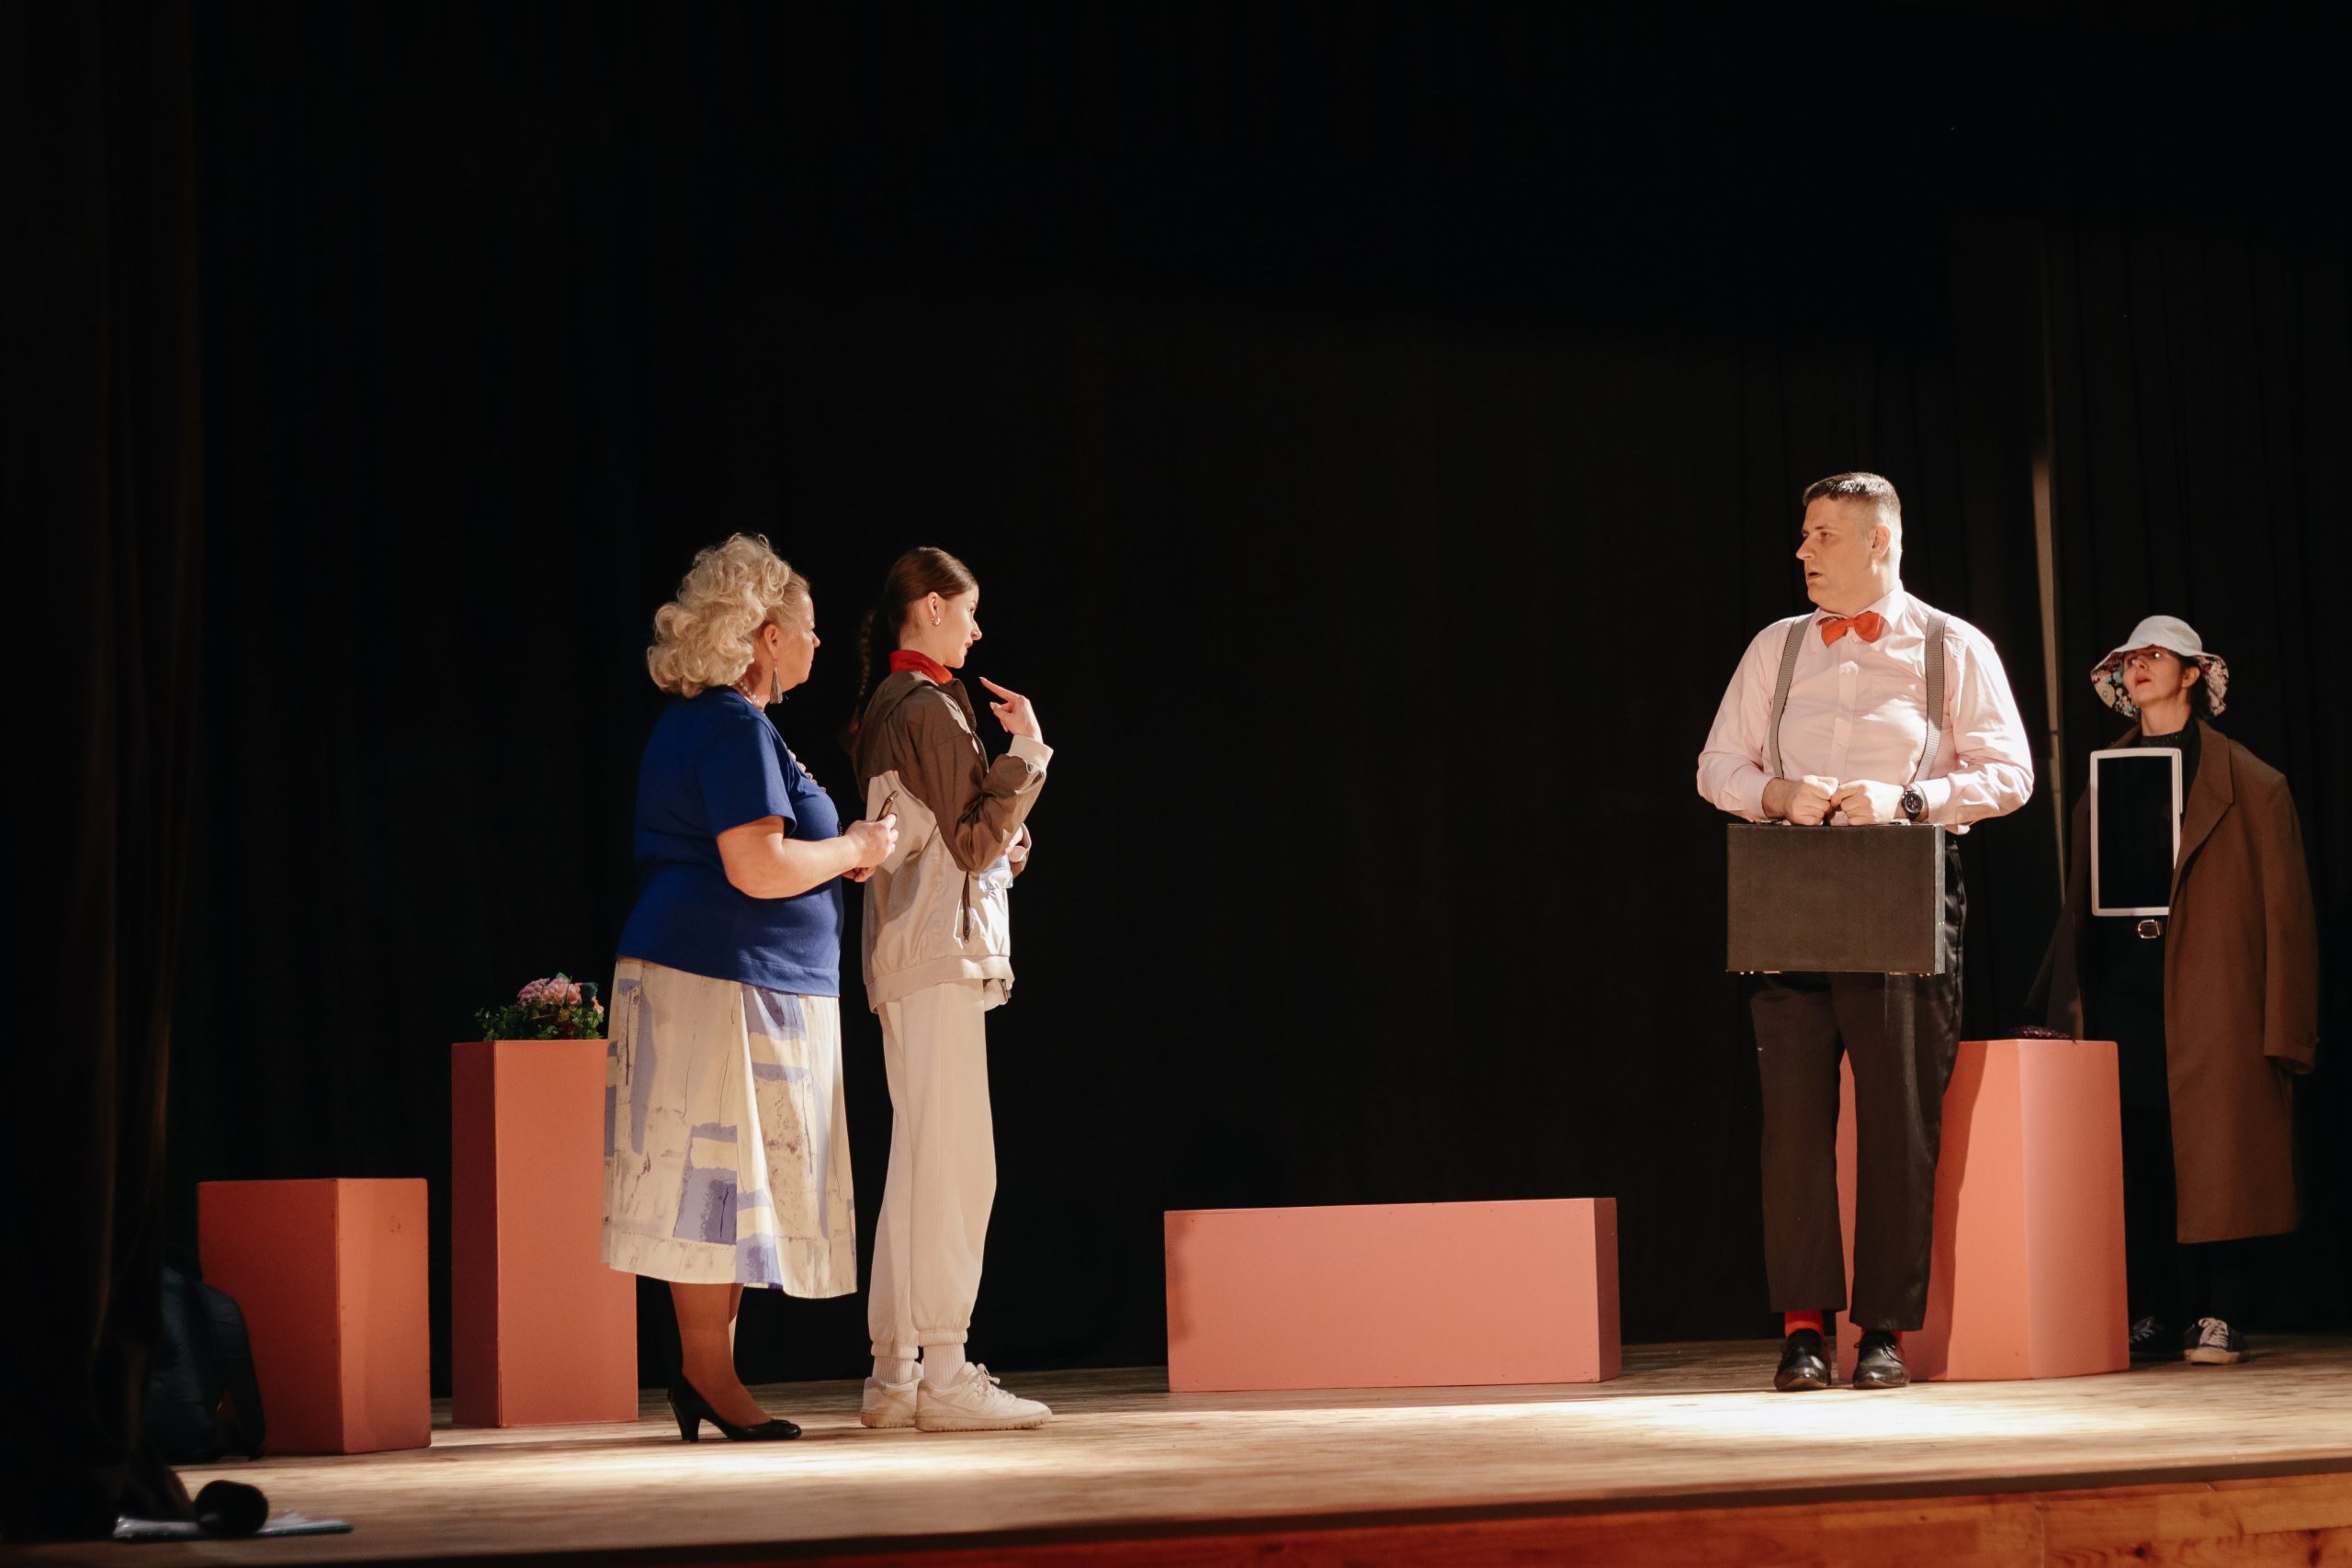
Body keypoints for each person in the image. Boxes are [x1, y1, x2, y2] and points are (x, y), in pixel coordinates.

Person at [1697, 472, 2035, 1392]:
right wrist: (1776, 793)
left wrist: (1911, 799)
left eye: (1822, 535)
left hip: (1901, 887)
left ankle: (1882, 1330)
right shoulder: (1776, 646)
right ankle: (1803, 1328)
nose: (1803, 551)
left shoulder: (1952, 645)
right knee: (1792, 1128)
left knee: (1898, 1121)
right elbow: (1716, 765)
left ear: (1878, 541)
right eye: (1804, 534)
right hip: (1792, 888)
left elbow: (2011, 773)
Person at [603, 535, 898, 1442]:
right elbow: (757, 866)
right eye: (807, 628)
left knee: (729, 1184)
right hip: (717, 975)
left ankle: (710, 1371)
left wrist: (837, 857)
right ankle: (706, 1372)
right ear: (767, 636)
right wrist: (855, 847)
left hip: (736, 975)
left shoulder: (730, 724)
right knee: (710, 1177)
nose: (817, 642)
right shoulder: (729, 725)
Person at [2030, 616, 2319, 1365]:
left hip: (2214, 988)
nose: (2139, 666)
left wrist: (2287, 1027)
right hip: (2123, 984)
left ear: (2193, 673)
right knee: (2141, 1148)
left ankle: (2222, 1309)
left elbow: (2287, 917)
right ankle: (2155, 1308)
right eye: (2130, 658)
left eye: (2156, 655)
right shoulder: (2103, 777)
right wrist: (2061, 1003)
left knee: (2218, 1150)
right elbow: (2079, 899)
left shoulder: (2252, 783)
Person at [845, 546, 1054, 1433]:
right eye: (966, 610)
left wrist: (1005, 839)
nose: (976, 628)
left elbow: (957, 839)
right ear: (929, 607)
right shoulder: (925, 705)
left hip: (914, 948)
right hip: (933, 952)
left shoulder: (902, 702)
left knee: (922, 1156)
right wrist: (1027, 752)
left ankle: (898, 1373)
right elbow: (968, 843)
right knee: (957, 1162)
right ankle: (944, 1367)